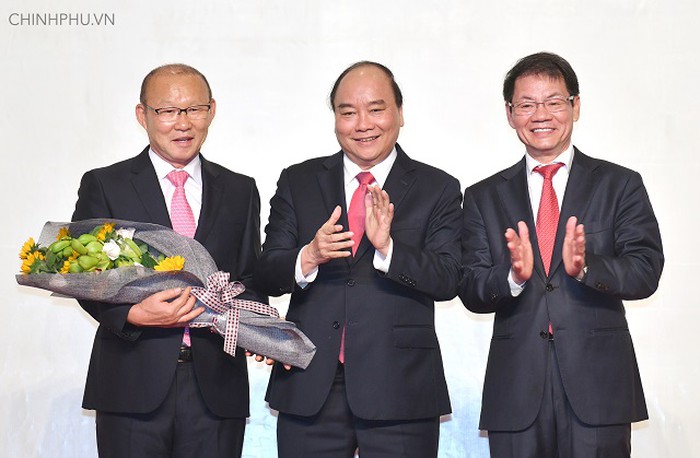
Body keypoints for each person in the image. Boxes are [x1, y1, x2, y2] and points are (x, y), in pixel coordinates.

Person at [459, 51, 664, 457]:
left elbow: (645, 270)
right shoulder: (483, 196)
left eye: (553, 102)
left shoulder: (619, 184)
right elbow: (469, 287)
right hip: (516, 387)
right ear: (510, 113)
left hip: (598, 384)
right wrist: (513, 277)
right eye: (527, 105)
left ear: (575, 106)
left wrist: (587, 267)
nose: (541, 115)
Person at [254, 61, 462, 457]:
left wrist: (389, 250)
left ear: (400, 113)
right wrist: (309, 256)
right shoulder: (298, 181)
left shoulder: (437, 187)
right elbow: (266, 271)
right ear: (335, 119)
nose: (363, 124)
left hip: (401, 387)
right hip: (310, 382)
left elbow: (449, 277)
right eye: (348, 112)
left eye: (376, 109)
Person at [72, 63, 266, 457]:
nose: (183, 123)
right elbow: (83, 275)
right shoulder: (105, 184)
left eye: (194, 109)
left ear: (212, 110)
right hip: (131, 382)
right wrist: (132, 314)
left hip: (217, 387)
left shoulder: (240, 189)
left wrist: (257, 326)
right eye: (167, 111)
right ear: (142, 115)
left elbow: (249, 275)